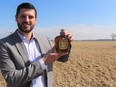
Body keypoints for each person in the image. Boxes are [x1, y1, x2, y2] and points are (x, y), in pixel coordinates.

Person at [0, 2, 73, 87]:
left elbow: (63, 59)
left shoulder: (44, 39)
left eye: (31, 17)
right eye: (23, 16)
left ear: (36, 20)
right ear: (16, 18)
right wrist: (44, 61)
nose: (27, 20)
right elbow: (11, 79)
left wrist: (67, 42)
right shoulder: (4, 44)